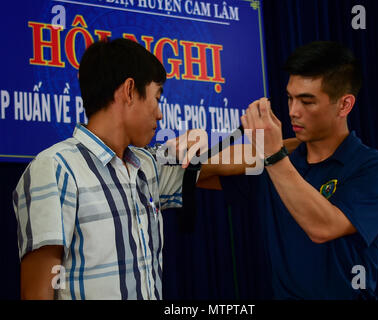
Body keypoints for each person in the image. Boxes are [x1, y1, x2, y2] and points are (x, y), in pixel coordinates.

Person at [13, 38, 298, 300]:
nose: (160, 113)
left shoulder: (147, 164)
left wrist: (301, 143)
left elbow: (230, 160)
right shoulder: (55, 168)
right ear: (128, 91)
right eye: (157, 97)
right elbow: (38, 291)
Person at [220, 41, 378, 299]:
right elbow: (202, 172)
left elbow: (322, 227)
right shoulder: (281, 158)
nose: (293, 112)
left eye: (307, 102)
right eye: (289, 98)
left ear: (344, 105)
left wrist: (273, 154)